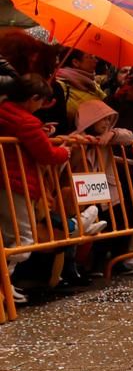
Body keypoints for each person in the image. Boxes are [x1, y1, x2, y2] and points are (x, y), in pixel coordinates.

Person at [0, 74, 73, 303]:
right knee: (24, 240)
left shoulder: (5, 112)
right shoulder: (26, 121)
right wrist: (65, 152)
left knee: (7, 236)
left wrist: (42, 133)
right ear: (33, 98)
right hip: (17, 183)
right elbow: (47, 154)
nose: (41, 107)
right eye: (41, 102)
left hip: (6, 182)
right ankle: (4, 285)